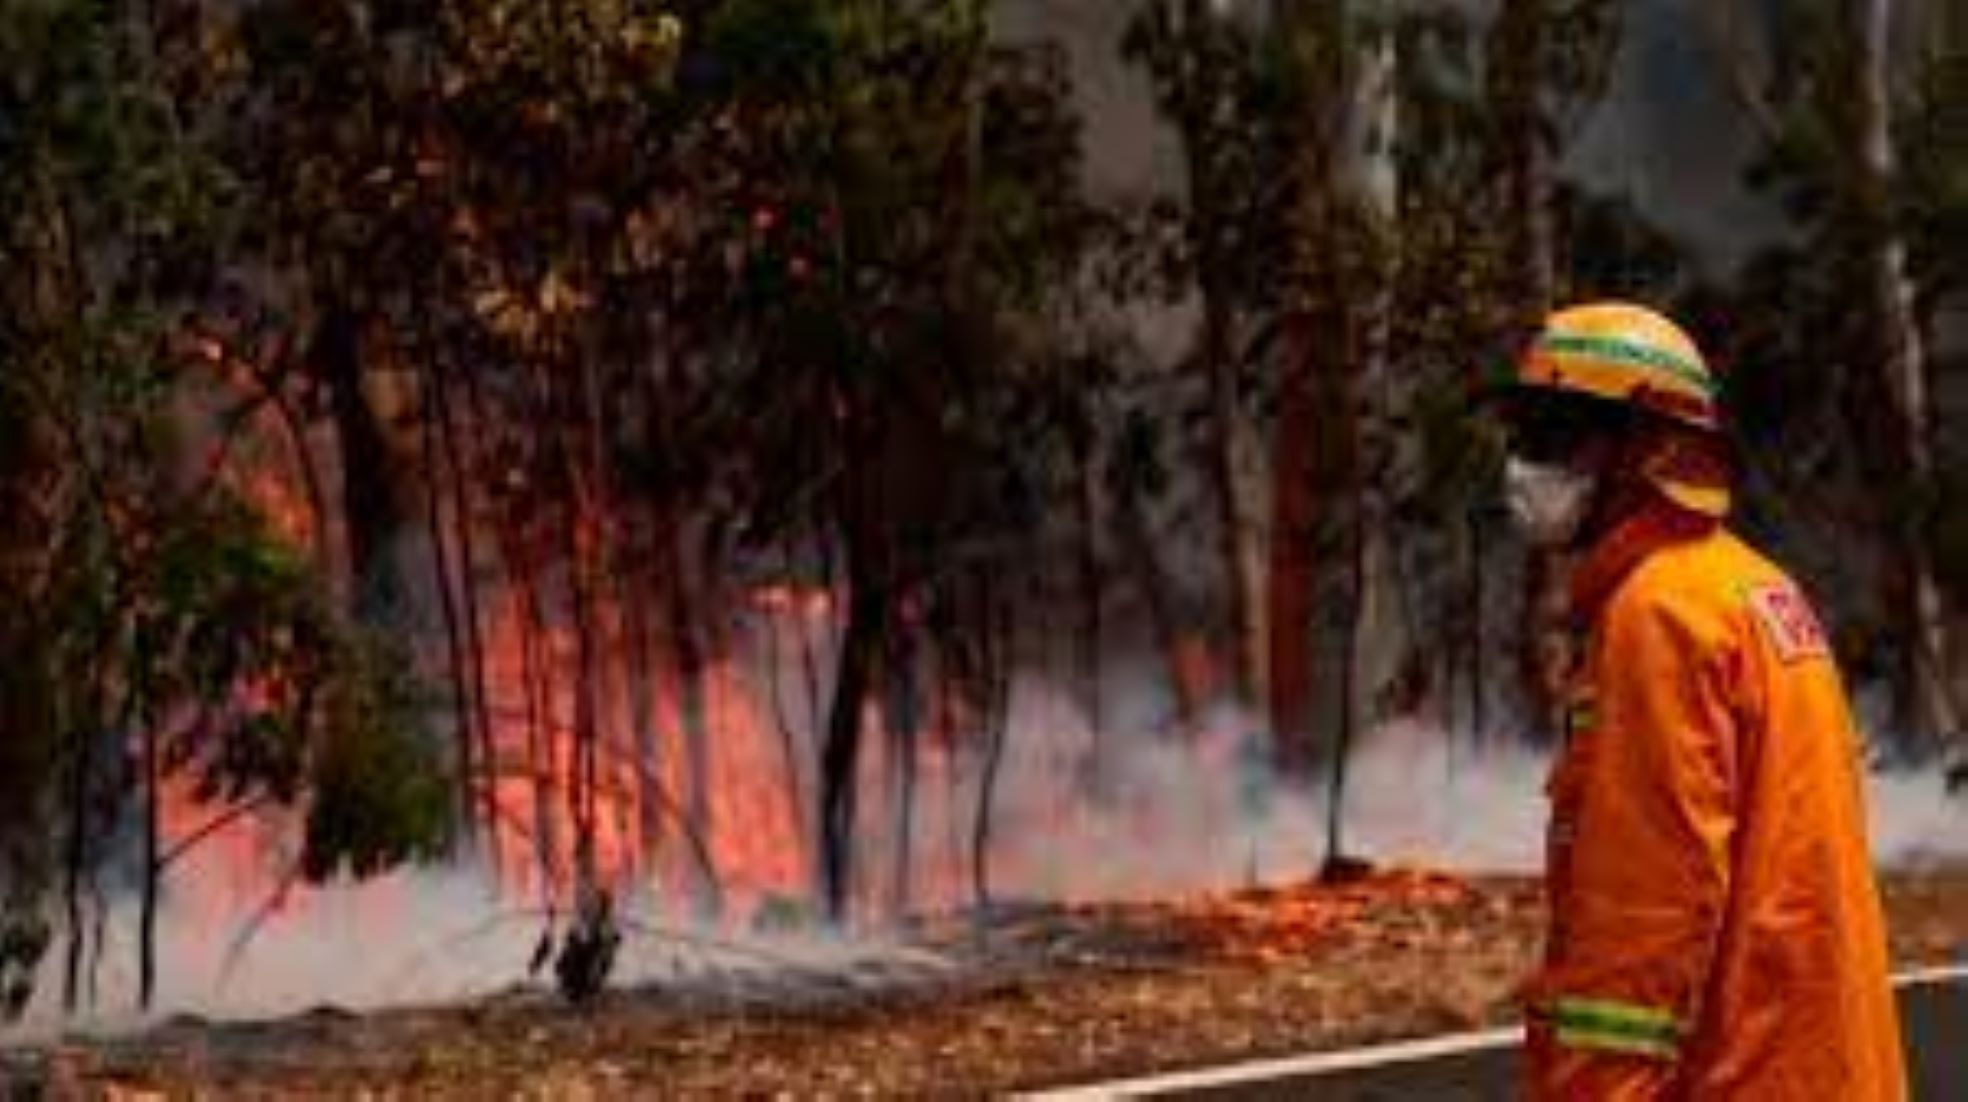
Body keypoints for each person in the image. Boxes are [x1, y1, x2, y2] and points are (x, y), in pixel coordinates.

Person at [1488, 301, 1905, 1098]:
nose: (1522, 464)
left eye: (1553, 435)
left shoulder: (1659, 615)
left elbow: (1642, 924)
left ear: (1648, 449)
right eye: (1522, 434)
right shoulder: (1751, 587)